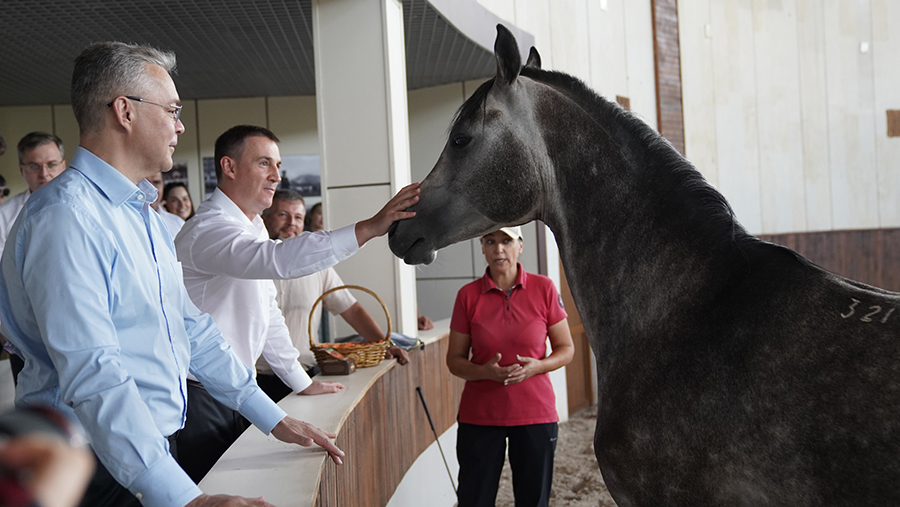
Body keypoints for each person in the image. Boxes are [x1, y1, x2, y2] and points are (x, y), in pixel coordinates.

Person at [0, 41, 364, 507]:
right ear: (125, 111)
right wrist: (187, 499)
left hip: (145, 450)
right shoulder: (66, 217)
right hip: (92, 460)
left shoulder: (144, 216)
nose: (180, 125)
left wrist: (271, 417)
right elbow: (92, 373)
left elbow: (191, 328)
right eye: (172, 110)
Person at [173, 125, 419, 482]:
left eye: (278, 165)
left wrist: (300, 381)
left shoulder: (253, 226)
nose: (276, 176)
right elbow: (279, 261)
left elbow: (267, 313)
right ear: (229, 167)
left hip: (236, 392)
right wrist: (368, 228)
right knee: (210, 494)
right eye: (264, 163)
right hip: (200, 397)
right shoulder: (208, 229)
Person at [447, 226, 575, 507]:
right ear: (482, 247)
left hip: (535, 414)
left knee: (534, 501)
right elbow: (454, 360)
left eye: (506, 240)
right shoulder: (467, 295)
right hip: (480, 415)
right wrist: (485, 372)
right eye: (490, 241)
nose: (498, 249)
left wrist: (537, 366)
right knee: (474, 500)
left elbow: (566, 349)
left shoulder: (544, 288)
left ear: (520, 245)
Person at [256, 189, 410, 402]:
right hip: (255, 380)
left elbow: (351, 309)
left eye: (298, 217)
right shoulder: (249, 264)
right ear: (264, 218)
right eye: (283, 215)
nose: (291, 223)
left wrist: (385, 344)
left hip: (305, 376)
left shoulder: (319, 266)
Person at [0, 132, 67, 386]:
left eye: (52, 164)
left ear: (63, 165)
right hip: (24, 335)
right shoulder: (5, 217)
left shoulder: (85, 210)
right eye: (34, 166)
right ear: (22, 169)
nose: (44, 174)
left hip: (75, 327)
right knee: (34, 405)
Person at [148, 171, 184, 237]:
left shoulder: (178, 224)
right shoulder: (128, 222)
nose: (152, 189)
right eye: (145, 183)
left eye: (156, 182)